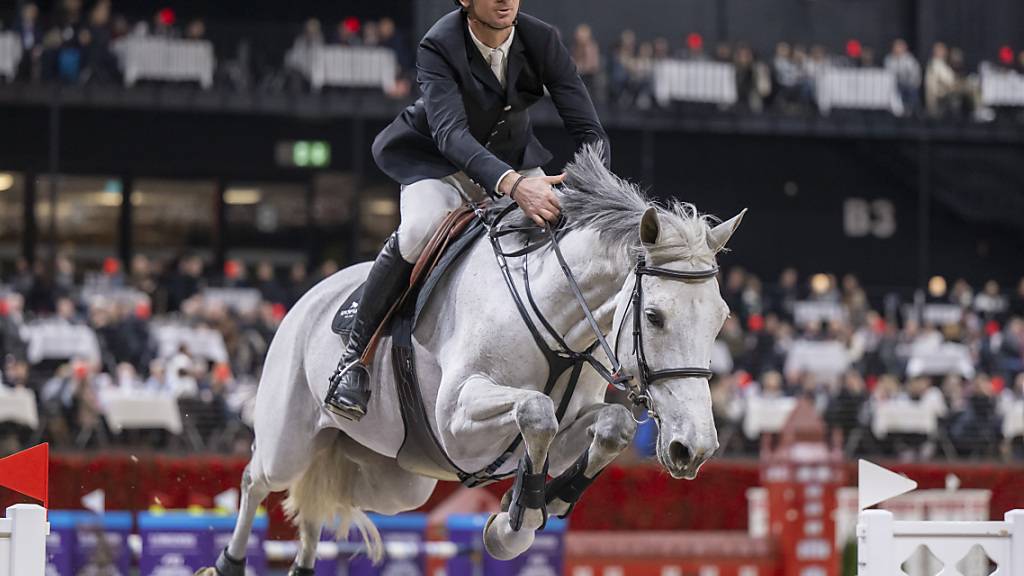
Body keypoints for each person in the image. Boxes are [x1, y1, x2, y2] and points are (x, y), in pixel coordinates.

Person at [324, 0, 610, 420]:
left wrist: (591, 185)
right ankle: (353, 361)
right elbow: (451, 134)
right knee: (421, 227)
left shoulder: (541, 39)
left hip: (513, 161)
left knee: (568, 229)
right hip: (439, 161)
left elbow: (589, 130)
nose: (504, 0)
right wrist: (515, 186)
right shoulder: (438, 44)